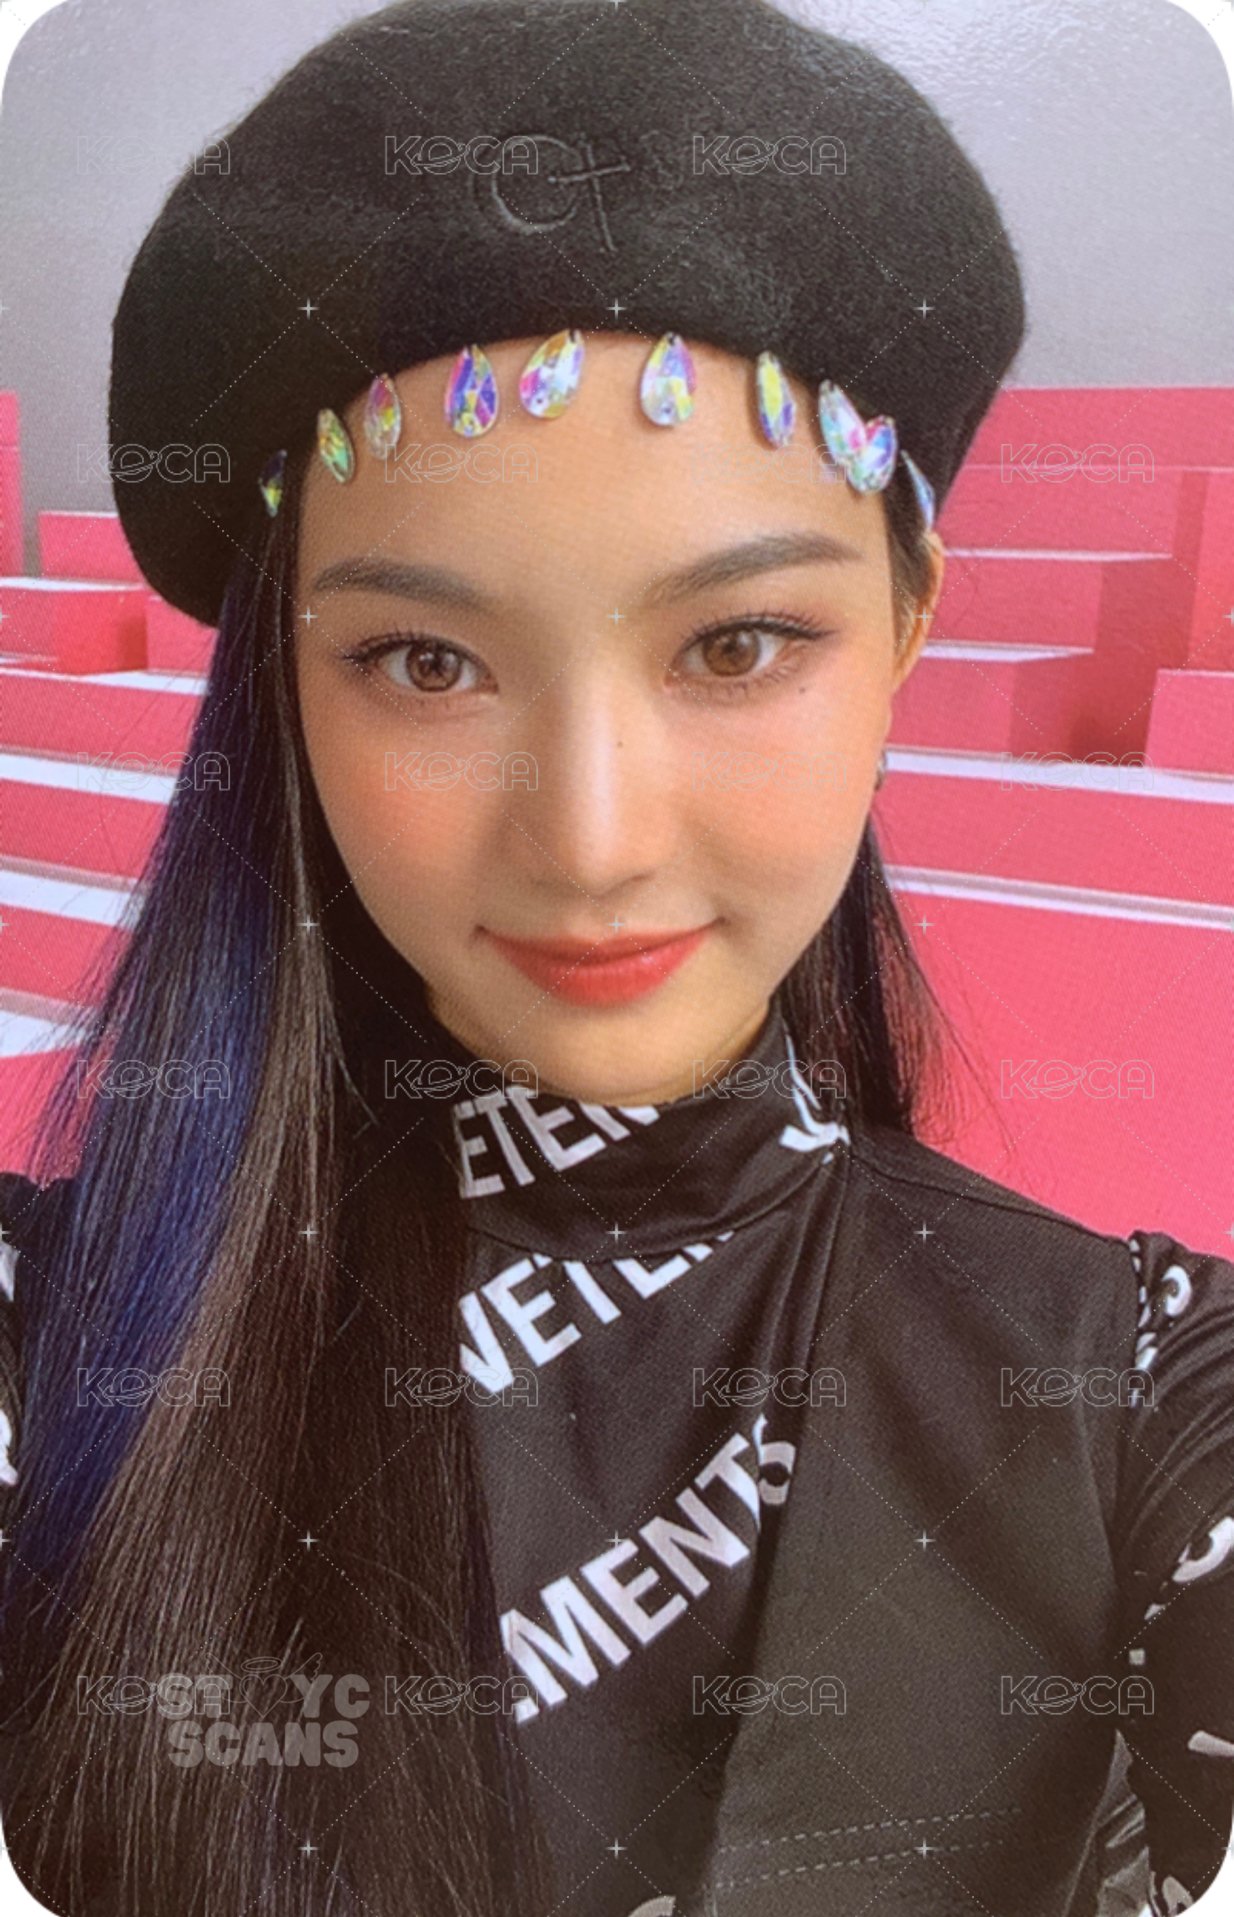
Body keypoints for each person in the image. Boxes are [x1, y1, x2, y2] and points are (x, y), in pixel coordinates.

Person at [0, 1, 1231, 1914]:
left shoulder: (1135, 1393)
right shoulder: (49, 1346)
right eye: (424, 660)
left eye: (737, 644)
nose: (588, 843)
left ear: (907, 625)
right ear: (288, 695)